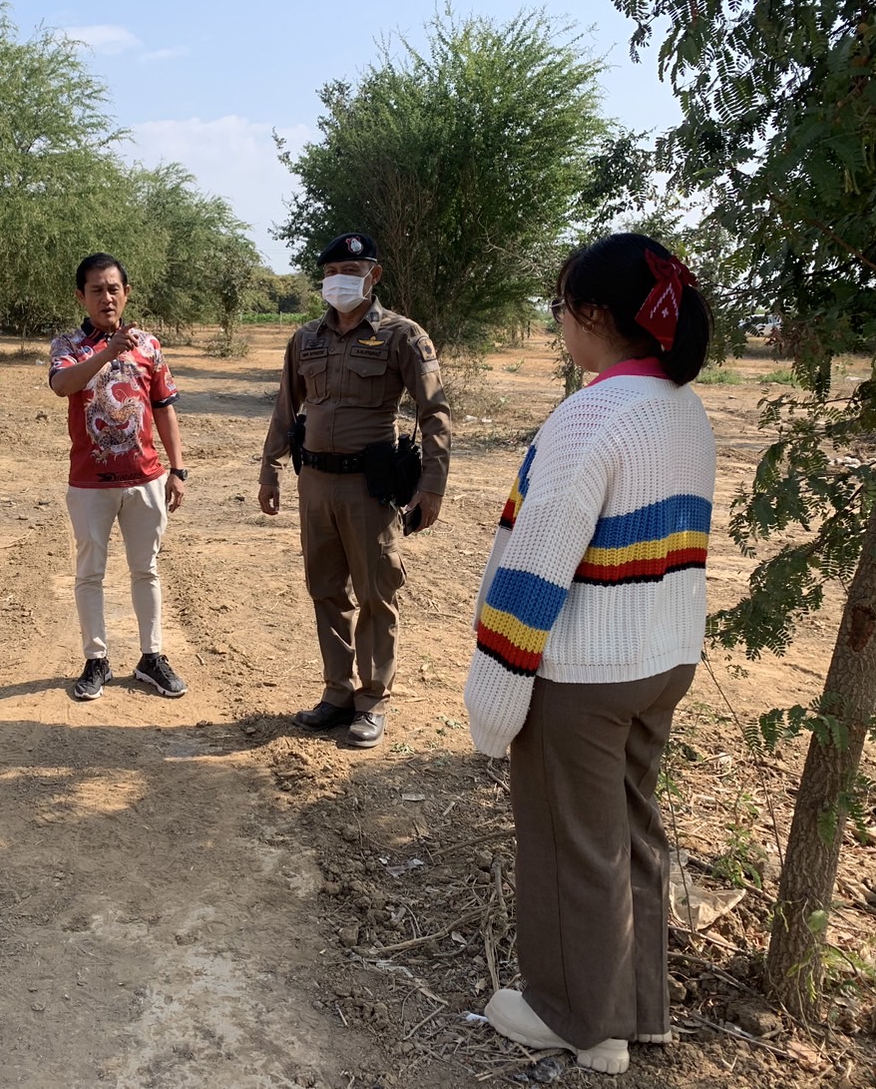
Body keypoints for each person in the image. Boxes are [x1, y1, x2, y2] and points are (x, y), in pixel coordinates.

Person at [463, 233, 716, 1074]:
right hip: (662, 654)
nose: (558, 324)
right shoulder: (682, 406)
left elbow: (536, 562)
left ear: (595, 316)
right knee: (629, 832)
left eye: (561, 308)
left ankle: (576, 1019)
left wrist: (495, 686)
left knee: (568, 842)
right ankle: (637, 1010)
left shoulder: (589, 416)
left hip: (582, 667)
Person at [258, 232, 451, 749]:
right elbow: (286, 407)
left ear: (374, 275)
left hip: (370, 488)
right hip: (315, 484)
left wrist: (432, 485)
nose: (338, 281)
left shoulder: (402, 336)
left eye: (350, 270)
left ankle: (372, 700)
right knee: (324, 590)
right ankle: (337, 692)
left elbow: (434, 413)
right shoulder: (305, 338)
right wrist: (270, 469)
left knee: (375, 593)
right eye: (330, 272)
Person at [49, 252, 188, 702]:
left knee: (146, 570)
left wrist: (177, 469)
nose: (106, 298)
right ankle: (96, 660)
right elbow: (63, 385)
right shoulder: (68, 345)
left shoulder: (149, 346)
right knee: (90, 573)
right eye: (96, 290)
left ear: (126, 293)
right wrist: (108, 352)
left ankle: (152, 657)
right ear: (81, 297)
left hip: (145, 479)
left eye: (113, 289)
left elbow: (164, 408)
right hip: (89, 483)